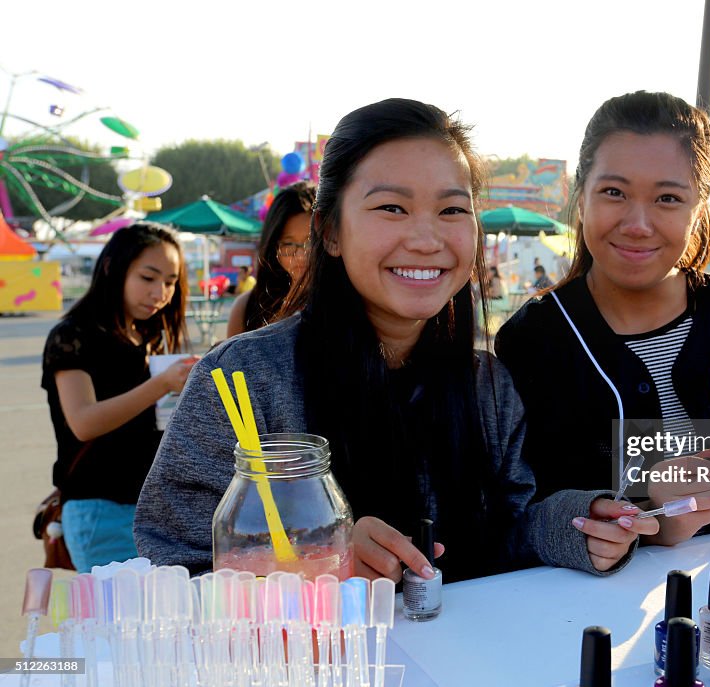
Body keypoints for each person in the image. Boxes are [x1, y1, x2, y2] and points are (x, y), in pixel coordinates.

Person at [135, 98, 649, 581]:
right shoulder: (243, 381)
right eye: (391, 209)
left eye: (452, 210)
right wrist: (318, 560)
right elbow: (170, 558)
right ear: (330, 232)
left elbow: (507, 531)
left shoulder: (487, 384)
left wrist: (580, 522)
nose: (427, 240)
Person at [496, 91, 710, 546]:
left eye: (667, 198)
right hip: (592, 611)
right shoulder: (532, 342)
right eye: (614, 192)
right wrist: (648, 515)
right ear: (579, 197)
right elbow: (518, 520)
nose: (638, 223)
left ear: (698, 209)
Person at [41, 223, 199, 571]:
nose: (160, 292)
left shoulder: (148, 339)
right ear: (113, 268)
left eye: (171, 282)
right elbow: (83, 422)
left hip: (153, 509)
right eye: (148, 277)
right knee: (121, 621)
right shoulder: (72, 336)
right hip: (100, 508)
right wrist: (162, 385)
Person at [227, 181, 316, 337]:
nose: (301, 256)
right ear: (272, 246)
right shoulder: (246, 308)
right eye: (288, 244)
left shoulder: (353, 303)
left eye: (311, 242)